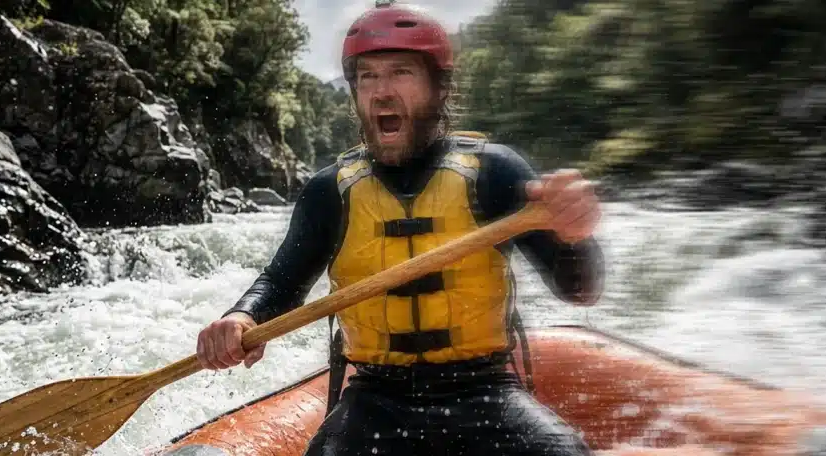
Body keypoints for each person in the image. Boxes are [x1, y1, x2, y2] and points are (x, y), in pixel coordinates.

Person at [196, 1, 606, 455]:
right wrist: (242, 317)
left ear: (439, 88)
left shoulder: (496, 173)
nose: (381, 91)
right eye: (367, 77)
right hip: (375, 399)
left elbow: (580, 290)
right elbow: (281, 282)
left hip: (484, 392)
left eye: (401, 73)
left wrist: (575, 237)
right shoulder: (329, 191)